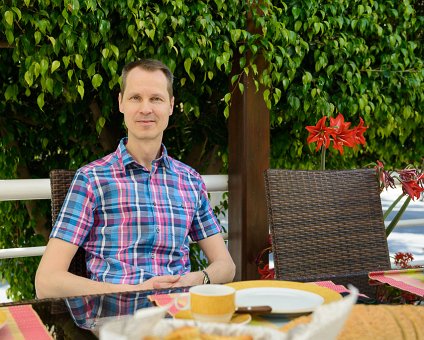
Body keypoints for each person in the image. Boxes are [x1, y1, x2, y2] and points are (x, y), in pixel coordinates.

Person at [35, 59, 236, 298]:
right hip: (117, 317)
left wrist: (196, 279)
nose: (145, 109)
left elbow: (226, 266)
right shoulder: (92, 180)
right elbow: (46, 281)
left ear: (171, 106)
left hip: (180, 312)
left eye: (156, 99)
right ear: (121, 103)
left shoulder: (190, 181)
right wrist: (135, 291)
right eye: (135, 98)